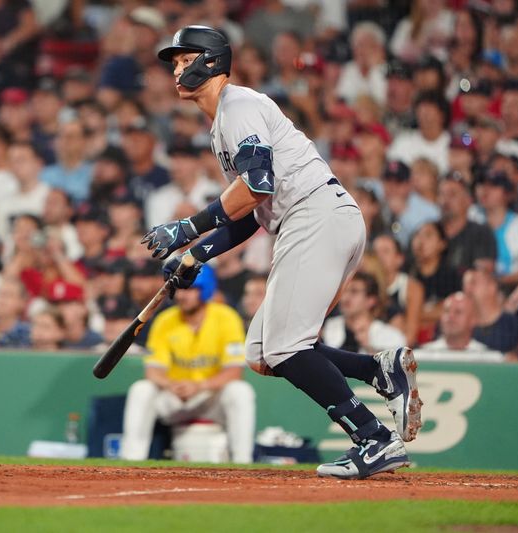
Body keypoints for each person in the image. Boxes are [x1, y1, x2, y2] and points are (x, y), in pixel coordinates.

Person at [146, 26, 421, 479]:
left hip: (314, 217)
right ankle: (378, 370)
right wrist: (196, 255)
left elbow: (257, 186)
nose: (176, 68)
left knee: (285, 346)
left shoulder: (239, 105)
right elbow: (250, 212)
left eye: (183, 58)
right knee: (261, 352)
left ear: (211, 61)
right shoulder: (223, 125)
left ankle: (373, 439)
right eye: (174, 62)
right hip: (317, 220)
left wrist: (188, 227)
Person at [121, 265, 256, 463]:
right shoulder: (165, 320)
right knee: (141, 390)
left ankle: (243, 461)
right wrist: (171, 385)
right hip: (175, 395)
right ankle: (131, 460)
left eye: (191, 289)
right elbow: (153, 370)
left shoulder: (226, 317)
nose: (184, 296)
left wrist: (199, 386)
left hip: (209, 396)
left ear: (206, 290)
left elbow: (234, 372)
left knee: (240, 391)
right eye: (181, 289)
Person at [321, 272, 407, 354]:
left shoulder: (391, 337)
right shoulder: (328, 327)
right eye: (344, 291)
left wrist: (368, 347)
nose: (345, 298)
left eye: (354, 291)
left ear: (371, 300)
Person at [462, 267, 518, 353]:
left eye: (473, 283)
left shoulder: (512, 323)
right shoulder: (460, 323)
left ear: (492, 287)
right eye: (465, 285)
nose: (467, 289)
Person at [421, 292, 495, 355]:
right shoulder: (420, 357)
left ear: (473, 320)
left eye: (458, 312)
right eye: (447, 311)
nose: (450, 316)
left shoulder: (489, 359)